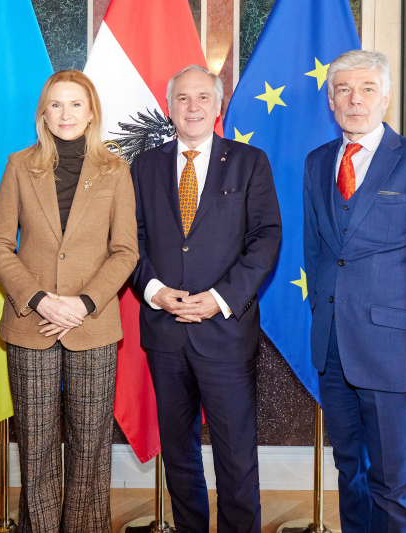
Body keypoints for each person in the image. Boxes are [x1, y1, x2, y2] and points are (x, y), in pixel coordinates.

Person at [303, 50, 406, 532]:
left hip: (396, 356)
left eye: (367, 89)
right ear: (331, 100)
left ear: (386, 97)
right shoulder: (317, 164)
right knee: (349, 472)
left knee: (394, 483)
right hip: (333, 354)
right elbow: (317, 253)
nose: (355, 100)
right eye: (344, 90)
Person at [130, 64, 282, 533]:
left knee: (235, 455)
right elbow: (128, 240)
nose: (192, 107)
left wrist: (220, 298)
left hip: (225, 333)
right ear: (169, 106)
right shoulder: (145, 165)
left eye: (202, 98)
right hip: (164, 332)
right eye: (182, 99)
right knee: (178, 452)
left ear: (218, 106)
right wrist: (154, 291)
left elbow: (266, 237)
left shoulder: (248, 161)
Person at [0, 69, 137, 533]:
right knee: (35, 443)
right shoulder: (19, 165)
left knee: (91, 442)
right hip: (32, 323)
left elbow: (125, 250)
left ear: (91, 113)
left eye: (75, 104)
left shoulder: (116, 169)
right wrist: (38, 299)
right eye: (56, 104)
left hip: (91, 325)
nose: (65, 114)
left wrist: (83, 303)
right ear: (43, 114)